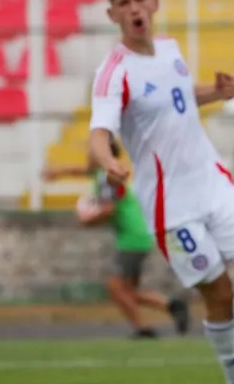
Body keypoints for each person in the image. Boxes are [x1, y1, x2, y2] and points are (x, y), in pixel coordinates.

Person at [89, 0, 234, 384]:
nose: (135, 8)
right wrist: (108, 164)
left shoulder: (168, 50)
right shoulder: (113, 72)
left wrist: (212, 93)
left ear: (153, 5)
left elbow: (172, 96)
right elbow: (99, 132)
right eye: (125, 3)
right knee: (217, 289)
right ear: (113, 15)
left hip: (212, 183)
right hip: (170, 206)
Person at [42, 136, 191, 340]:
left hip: (131, 238)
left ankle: (143, 328)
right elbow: (83, 171)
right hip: (137, 236)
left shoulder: (107, 178)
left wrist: (88, 222)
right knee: (128, 290)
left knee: (115, 288)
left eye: (92, 151)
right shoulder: (104, 173)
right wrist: (58, 172)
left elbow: (109, 210)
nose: (89, 154)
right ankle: (172, 305)